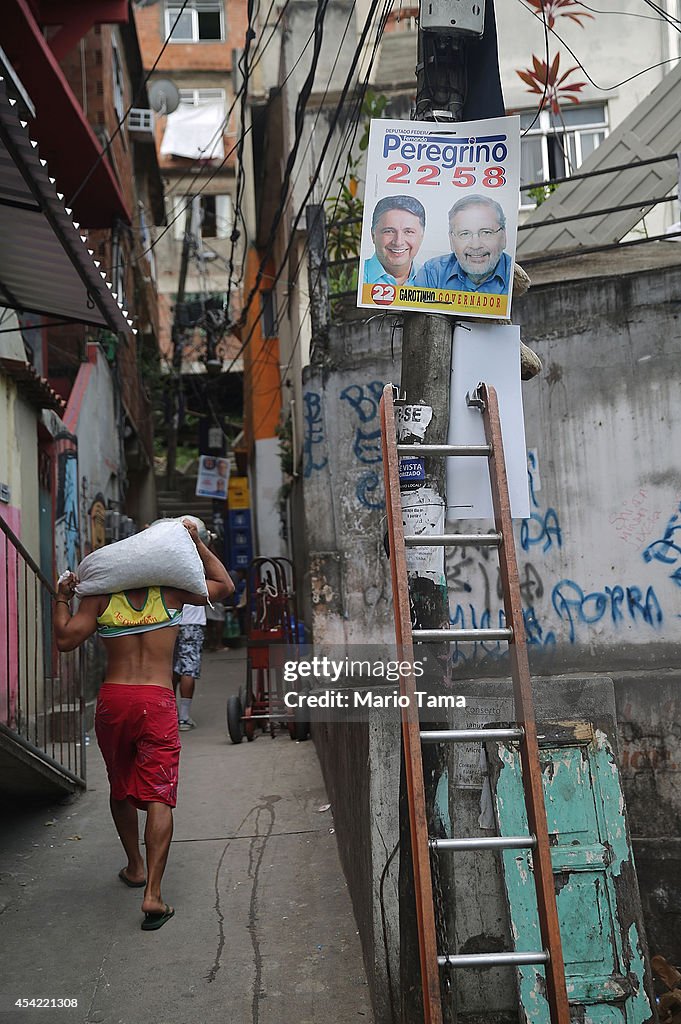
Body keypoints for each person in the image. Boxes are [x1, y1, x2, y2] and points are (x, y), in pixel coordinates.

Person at [54, 519, 233, 931]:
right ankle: (153, 893)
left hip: (114, 701)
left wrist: (61, 598)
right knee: (160, 795)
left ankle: (134, 866)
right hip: (156, 701)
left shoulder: (98, 599)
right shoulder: (170, 594)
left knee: (121, 785)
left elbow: (65, 640)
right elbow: (223, 585)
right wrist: (196, 544)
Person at [414, 194, 511, 295]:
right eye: (465, 234)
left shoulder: (514, 279)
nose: (475, 245)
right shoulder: (432, 273)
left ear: (503, 237)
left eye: (486, 232)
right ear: (451, 240)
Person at [363, 195, 426, 287]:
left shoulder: (434, 280)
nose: (398, 242)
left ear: (421, 236)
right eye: (389, 231)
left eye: (408, 232)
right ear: (373, 235)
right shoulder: (356, 275)